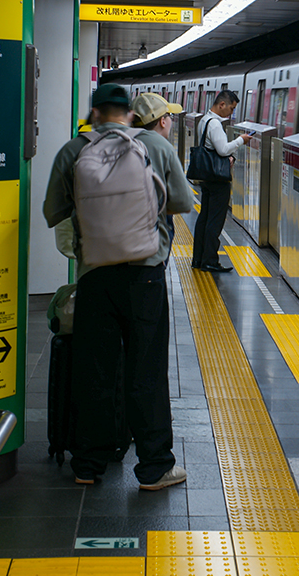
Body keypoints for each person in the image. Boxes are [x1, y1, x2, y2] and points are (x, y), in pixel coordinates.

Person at [42, 84, 195, 491]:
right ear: (128, 114)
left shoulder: (74, 150)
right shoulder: (155, 147)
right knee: (147, 369)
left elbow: (52, 211)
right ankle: (154, 468)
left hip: (94, 275)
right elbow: (182, 202)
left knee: (95, 368)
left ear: (94, 113)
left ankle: (87, 465)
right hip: (144, 273)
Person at [192, 89, 251, 272]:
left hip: (207, 177)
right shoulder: (215, 124)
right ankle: (210, 260)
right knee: (215, 221)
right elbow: (223, 150)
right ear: (222, 104)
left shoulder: (203, 120)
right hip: (218, 180)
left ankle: (199, 258)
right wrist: (241, 140)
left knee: (204, 218)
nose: (231, 113)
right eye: (231, 109)